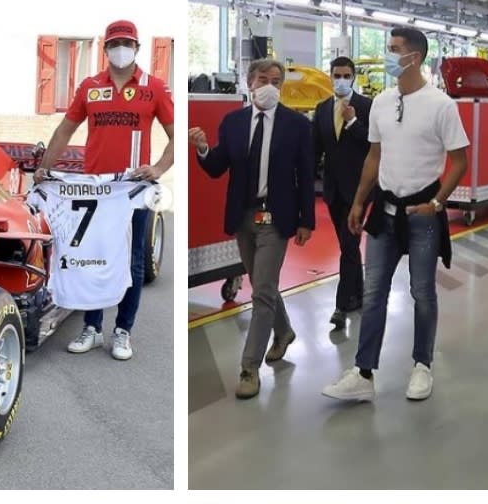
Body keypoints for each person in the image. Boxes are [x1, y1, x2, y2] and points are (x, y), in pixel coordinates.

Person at [321, 26, 468, 403]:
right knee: (373, 294)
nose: (388, 55)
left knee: (422, 292)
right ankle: (364, 371)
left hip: (422, 213)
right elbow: (373, 157)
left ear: (413, 57)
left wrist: (437, 203)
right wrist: (358, 202)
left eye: (393, 49)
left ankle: (422, 365)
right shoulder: (382, 103)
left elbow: (458, 161)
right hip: (384, 212)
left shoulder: (441, 105)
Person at [35, 19, 175, 361]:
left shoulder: (153, 88)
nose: (121, 49)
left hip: (131, 189)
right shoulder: (90, 87)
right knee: (91, 256)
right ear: (106, 48)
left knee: (132, 261)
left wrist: (157, 169)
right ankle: (92, 328)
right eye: (115, 43)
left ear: (137, 48)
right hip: (94, 189)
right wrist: (45, 168)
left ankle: (123, 331)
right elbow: (64, 131)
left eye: (127, 43)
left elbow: (176, 135)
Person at [190, 58, 315, 400]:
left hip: (277, 218)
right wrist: (202, 148)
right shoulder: (233, 123)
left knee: (261, 291)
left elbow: (305, 176)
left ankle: (249, 368)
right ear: (249, 82)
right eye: (263, 79)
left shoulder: (296, 126)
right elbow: (217, 167)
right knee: (264, 283)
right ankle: (285, 331)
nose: (269, 85)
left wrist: (307, 220)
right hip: (243, 216)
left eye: (276, 80)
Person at [312, 56, 372, 329]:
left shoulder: (367, 107)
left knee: (348, 245)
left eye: (347, 75)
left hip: (359, 190)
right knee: (348, 246)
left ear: (354, 77)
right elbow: (316, 150)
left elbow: (374, 144)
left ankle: (340, 305)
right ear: (330, 76)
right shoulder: (322, 109)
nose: (341, 80)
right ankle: (357, 295)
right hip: (333, 190)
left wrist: (352, 123)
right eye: (337, 75)